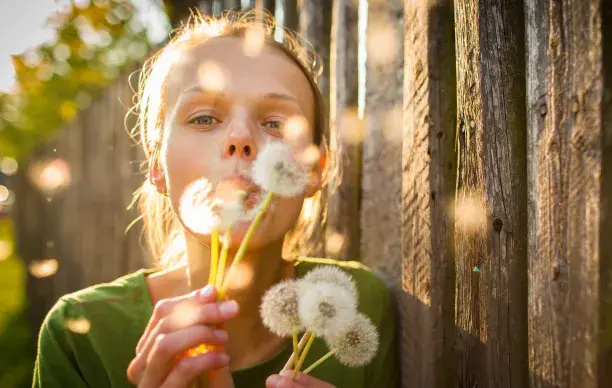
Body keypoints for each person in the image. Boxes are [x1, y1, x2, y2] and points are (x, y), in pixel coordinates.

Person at [32, 10, 398, 388]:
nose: (241, 139)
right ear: (156, 164)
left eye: (275, 124)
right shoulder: (82, 335)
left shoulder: (358, 304)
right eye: (204, 118)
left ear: (314, 169)